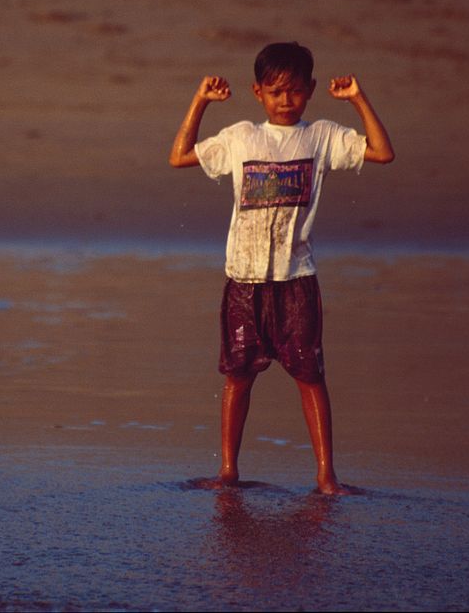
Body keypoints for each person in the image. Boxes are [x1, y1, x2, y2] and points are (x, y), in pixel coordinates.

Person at [168, 42, 394, 495]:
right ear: (258, 93)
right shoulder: (240, 137)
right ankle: (228, 470)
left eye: (294, 91)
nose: (285, 100)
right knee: (238, 375)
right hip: (244, 281)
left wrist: (357, 98)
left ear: (310, 90)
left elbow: (382, 152)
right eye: (275, 92)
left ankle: (326, 476)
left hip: (296, 280)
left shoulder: (321, 137)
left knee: (310, 376)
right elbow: (179, 156)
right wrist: (200, 100)